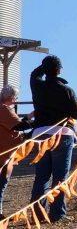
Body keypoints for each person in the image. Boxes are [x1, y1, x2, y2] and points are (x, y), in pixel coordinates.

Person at [29, 55, 77, 223]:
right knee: (60, 176)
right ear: (59, 71)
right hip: (62, 134)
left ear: (45, 70)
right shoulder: (67, 90)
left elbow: (34, 74)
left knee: (41, 176)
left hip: (40, 134)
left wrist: (45, 67)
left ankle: (38, 214)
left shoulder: (37, 86)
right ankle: (57, 214)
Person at [0, 85, 32, 218]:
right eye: (15, 97)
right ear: (10, 97)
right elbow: (19, 126)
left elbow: (15, 125)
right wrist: (39, 122)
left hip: (6, 153)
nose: (15, 100)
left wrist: (29, 117)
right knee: (1, 184)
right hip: (4, 155)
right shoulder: (4, 109)